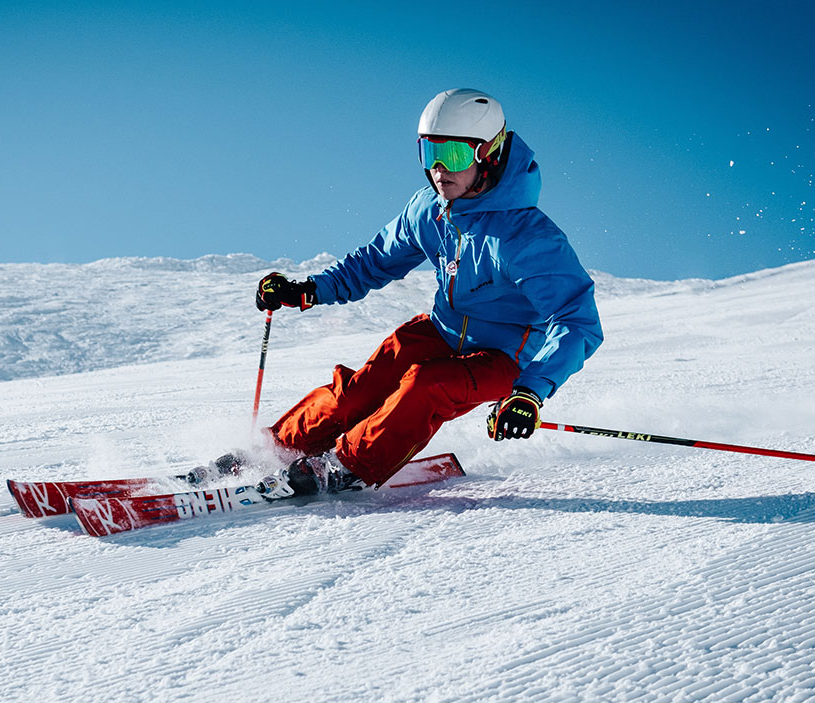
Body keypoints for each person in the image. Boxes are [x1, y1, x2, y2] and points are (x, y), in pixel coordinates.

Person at [251, 88, 603, 499]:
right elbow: (374, 261)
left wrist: (531, 391)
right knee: (363, 388)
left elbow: (576, 322)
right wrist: (308, 289)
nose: (438, 170)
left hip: (506, 357)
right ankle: (275, 448)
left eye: (452, 155)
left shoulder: (527, 238)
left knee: (427, 384)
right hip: (442, 330)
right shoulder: (429, 209)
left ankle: (347, 466)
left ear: (488, 154)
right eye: (428, 153)